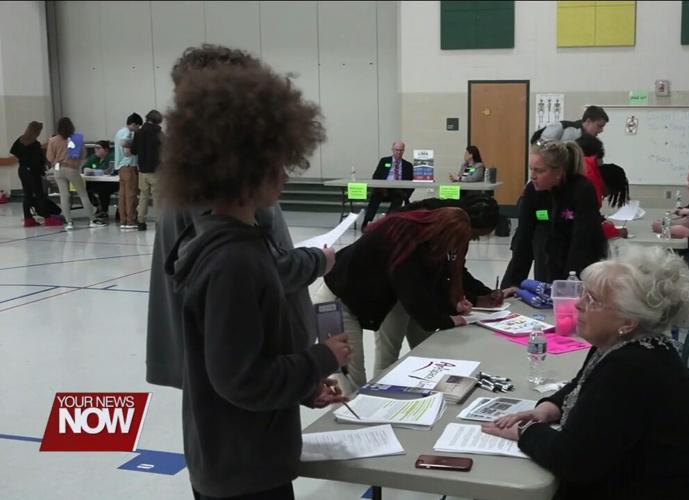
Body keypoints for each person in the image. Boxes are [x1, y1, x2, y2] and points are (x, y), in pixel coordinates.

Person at [160, 53, 350, 500]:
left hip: (234, 457)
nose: (285, 175)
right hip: (245, 472)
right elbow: (241, 380)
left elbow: (241, 358)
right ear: (243, 171)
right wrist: (321, 358)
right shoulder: (235, 261)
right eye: (276, 164)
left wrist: (302, 386)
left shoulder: (223, 242)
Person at [146, 44, 334, 396]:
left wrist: (300, 382)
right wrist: (318, 261)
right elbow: (256, 276)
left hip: (253, 371)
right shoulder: (226, 186)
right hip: (246, 374)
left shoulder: (204, 173)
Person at [483, 246, 689, 500]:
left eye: (592, 300)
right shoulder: (625, 344)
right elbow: (582, 384)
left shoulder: (631, 368)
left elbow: (572, 460)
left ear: (628, 321)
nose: (579, 304)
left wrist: (525, 431)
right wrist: (549, 408)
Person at [316, 207, 475, 391]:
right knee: (350, 381)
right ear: (443, 235)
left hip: (352, 298)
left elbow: (430, 284)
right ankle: (347, 418)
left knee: (354, 380)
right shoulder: (405, 241)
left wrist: (452, 304)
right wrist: (448, 320)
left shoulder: (422, 239)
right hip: (334, 302)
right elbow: (414, 297)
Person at [503, 140, 608, 287]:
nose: (533, 176)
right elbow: (523, 239)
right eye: (531, 169)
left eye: (539, 171)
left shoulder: (582, 190)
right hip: (547, 253)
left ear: (558, 172)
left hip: (581, 259)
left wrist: (567, 285)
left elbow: (582, 241)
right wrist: (510, 286)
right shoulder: (532, 191)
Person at [45, 117, 105, 230]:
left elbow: (49, 157)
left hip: (58, 168)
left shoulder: (53, 140)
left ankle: (69, 222)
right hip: (72, 168)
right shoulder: (76, 139)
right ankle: (92, 219)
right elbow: (83, 155)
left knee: (64, 195)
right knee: (82, 194)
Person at [4, 121, 64, 227]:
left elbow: (15, 153)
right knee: (40, 195)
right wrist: (42, 169)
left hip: (22, 170)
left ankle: (28, 219)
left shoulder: (20, 140)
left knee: (27, 195)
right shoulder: (35, 144)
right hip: (32, 172)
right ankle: (47, 218)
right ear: (36, 131)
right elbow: (36, 162)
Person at [360, 141, 414, 230]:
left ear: (404, 151)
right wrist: (380, 187)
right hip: (383, 189)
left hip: (398, 191)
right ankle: (366, 221)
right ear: (392, 150)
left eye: (401, 150)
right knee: (375, 196)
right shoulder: (384, 161)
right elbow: (376, 176)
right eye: (396, 150)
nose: (398, 152)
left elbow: (411, 182)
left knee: (399, 198)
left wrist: (406, 195)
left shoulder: (408, 165)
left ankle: (386, 221)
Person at [132, 109, 163, 231]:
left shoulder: (138, 133)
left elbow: (134, 151)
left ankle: (141, 221)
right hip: (156, 170)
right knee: (157, 197)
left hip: (142, 170)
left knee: (143, 196)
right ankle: (159, 222)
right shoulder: (159, 134)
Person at [115, 113, 142, 230]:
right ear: (134, 124)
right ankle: (131, 220)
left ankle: (123, 220)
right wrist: (136, 145)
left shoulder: (119, 132)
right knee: (131, 194)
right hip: (129, 165)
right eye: (138, 127)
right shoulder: (128, 133)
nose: (138, 129)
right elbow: (126, 149)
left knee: (122, 195)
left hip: (120, 167)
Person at [530, 105, 609, 144]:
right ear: (588, 121)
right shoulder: (561, 127)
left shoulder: (591, 142)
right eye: (599, 126)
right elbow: (538, 146)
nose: (601, 130)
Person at [81, 140, 117, 221]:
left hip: (112, 183)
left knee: (103, 189)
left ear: (106, 150)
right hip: (97, 181)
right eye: (95, 148)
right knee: (84, 187)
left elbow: (109, 170)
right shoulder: (94, 157)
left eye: (98, 148)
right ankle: (97, 205)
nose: (96, 150)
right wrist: (87, 169)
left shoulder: (111, 157)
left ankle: (103, 210)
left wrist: (94, 171)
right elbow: (84, 167)